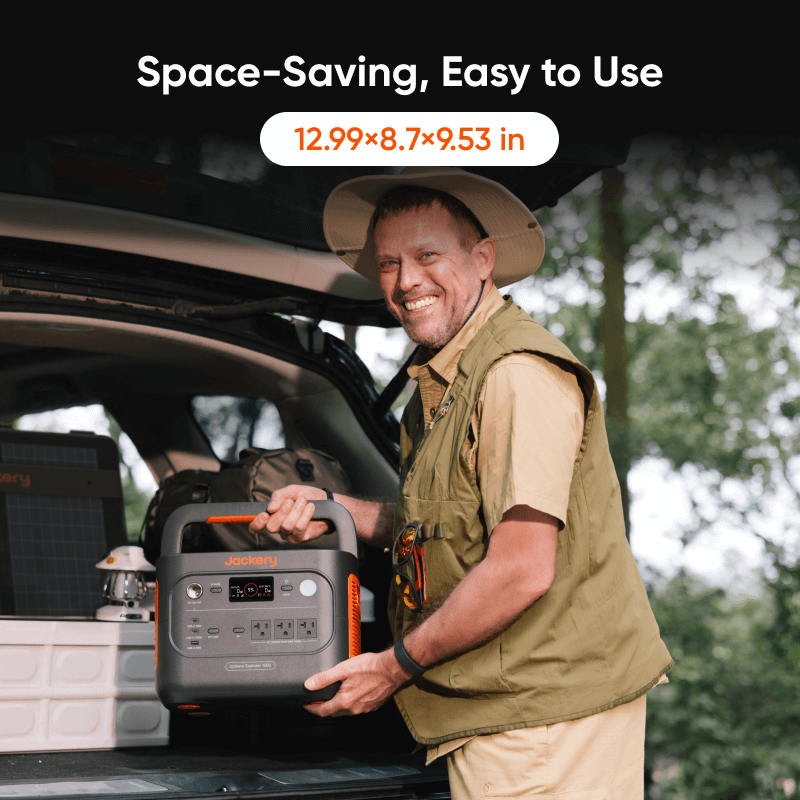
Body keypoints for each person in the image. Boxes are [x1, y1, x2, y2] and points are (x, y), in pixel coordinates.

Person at [249, 166, 673, 798]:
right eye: (389, 263)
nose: (406, 281)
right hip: (510, 714)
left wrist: (393, 667)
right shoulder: (444, 382)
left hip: (543, 720)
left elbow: (520, 568)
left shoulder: (514, 375)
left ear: (483, 260)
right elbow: (449, 530)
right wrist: (337, 509)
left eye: (427, 255)